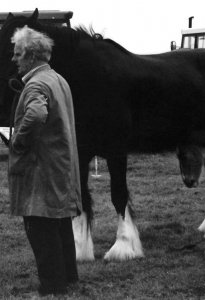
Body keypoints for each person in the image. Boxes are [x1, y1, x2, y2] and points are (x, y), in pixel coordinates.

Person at [9, 25, 82, 296]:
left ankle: (53, 286)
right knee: (60, 223)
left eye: (17, 54)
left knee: (40, 227)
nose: (14, 59)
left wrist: (19, 142)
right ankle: (69, 278)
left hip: (41, 169)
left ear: (30, 56)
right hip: (60, 166)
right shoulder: (57, 79)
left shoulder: (37, 84)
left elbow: (36, 115)